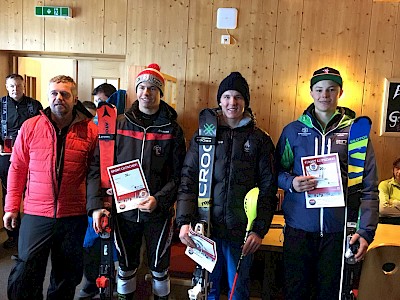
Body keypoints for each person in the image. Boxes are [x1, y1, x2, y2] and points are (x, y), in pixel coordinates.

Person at [275, 67, 379, 300]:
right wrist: (292, 183)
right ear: (311, 92)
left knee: (330, 295)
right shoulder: (293, 131)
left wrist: (365, 231)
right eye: (320, 89)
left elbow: (369, 187)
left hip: (338, 233)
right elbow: (276, 171)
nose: (325, 95)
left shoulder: (356, 133)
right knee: (295, 293)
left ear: (340, 92)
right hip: (298, 231)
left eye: (331, 89)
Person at [87, 64, 186, 300]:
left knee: (160, 269)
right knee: (125, 266)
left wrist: (159, 200)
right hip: (124, 213)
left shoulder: (172, 129)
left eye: (152, 88)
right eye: (141, 87)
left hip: (158, 214)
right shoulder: (117, 124)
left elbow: (181, 175)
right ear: (136, 90)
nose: (146, 93)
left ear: (161, 93)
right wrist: (97, 204)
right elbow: (97, 166)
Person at [176, 72, 278, 300]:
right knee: (206, 288)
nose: (233, 102)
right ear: (220, 100)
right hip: (206, 227)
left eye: (238, 97)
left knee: (237, 289)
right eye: (227, 96)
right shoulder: (204, 134)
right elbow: (188, 179)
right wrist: (183, 222)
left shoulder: (259, 139)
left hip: (240, 231)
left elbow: (268, 187)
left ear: (246, 102)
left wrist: (259, 229)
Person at [3, 75, 98, 300]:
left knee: (66, 276)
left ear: (75, 99)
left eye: (64, 94)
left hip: (73, 215)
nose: (59, 98)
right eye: (54, 93)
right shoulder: (30, 127)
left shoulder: (90, 132)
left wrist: (99, 207)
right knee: (26, 273)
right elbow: (17, 168)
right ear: (48, 97)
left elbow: (96, 174)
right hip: (36, 213)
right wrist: (11, 206)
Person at [78, 87, 118, 300]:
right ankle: (91, 281)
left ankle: (111, 280)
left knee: (112, 245)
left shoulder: (118, 128)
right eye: (97, 103)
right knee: (90, 241)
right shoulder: (88, 127)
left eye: (104, 103)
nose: (101, 109)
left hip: (114, 194)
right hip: (91, 193)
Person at [0, 73, 43, 249]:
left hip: (31, 157)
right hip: (6, 156)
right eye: (11, 86)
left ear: (24, 86)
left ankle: (31, 233)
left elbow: (43, 129)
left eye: (18, 85)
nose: (15, 89)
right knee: (10, 193)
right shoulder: (0, 105)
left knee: (32, 193)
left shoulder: (34, 105)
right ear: (6, 86)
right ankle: (13, 235)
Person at [378, 157, 400, 224]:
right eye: (397, 168)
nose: (399, 172)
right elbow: (383, 210)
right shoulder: (385, 185)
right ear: (393, 170)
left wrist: (394, 202)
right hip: (387, 222)